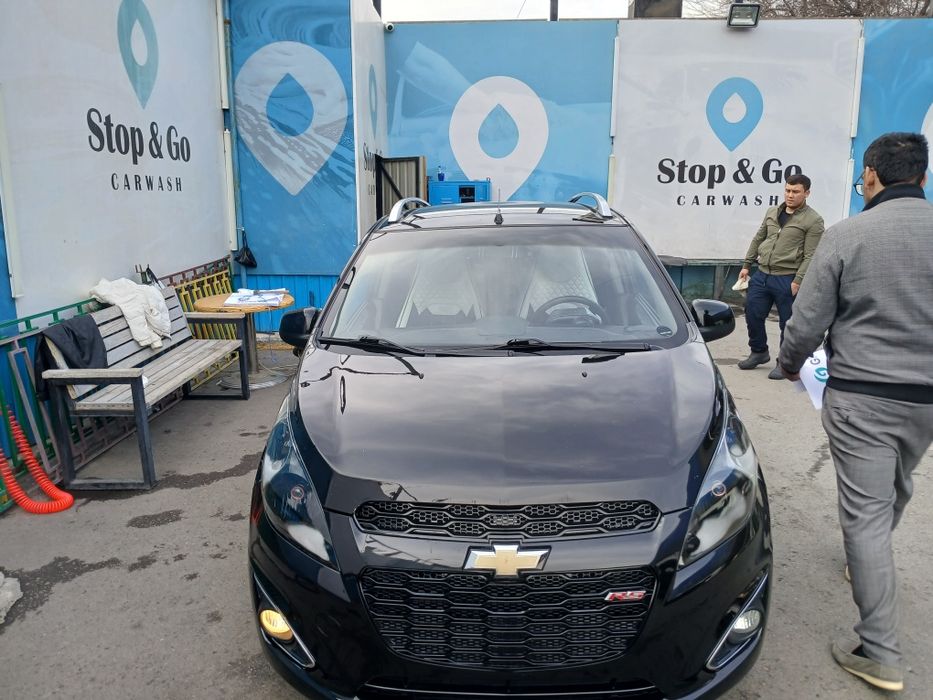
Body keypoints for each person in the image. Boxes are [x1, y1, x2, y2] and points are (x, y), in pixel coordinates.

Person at [778, 132, 933, 693]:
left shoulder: (847, 234)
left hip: (863, 397)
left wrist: (790, 363)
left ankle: (880, 652)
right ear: (921, 176)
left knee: (866, 517)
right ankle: (869, 565)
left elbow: (808, 318)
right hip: (926, 402)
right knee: (898, 483)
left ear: (870, 176)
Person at [736, 174, 824, 379]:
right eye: (787, 190)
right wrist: (747, 265)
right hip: (762, 274)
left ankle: (784, 363)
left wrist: (798, 280)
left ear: (807, 193)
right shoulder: (772, 212)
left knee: (788, 323)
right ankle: (759, 352)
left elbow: (811, 255)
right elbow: (758, 238)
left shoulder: (813, 220)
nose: (790, 195)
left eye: (796, 192)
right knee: (752, 312)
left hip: (787, 277)